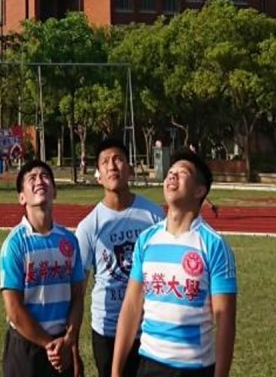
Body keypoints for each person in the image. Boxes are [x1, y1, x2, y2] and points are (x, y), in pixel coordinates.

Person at [112, 150, 236, 377]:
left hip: (194, 368)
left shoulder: (214, 245)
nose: (172, 176)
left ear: (200, 190)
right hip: (148, 364)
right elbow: (131, 306)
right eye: (170, 172)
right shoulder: (147, 240)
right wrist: (116, 371)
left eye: (182, 173)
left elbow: (225, 319)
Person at [76, 139, 164, 377]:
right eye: (105, 162)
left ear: (130, 169)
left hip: (149, 329)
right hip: (108, 331)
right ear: (98, 176)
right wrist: (72, 343)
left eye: (118, 159)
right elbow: (79, 290)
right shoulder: (88, 226)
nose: (112, 166)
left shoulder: (154, 215)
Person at [0, 159, 85, 377]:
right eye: (32, 178)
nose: (39, 181)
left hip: (62, 344)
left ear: (54, 191)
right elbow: (14, 310)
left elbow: (77, 298)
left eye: (45, 176)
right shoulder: (15, 244)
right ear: (22, 197)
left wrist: (70, 341)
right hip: (27, 349)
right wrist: (51, 346)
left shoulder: (69, 241)